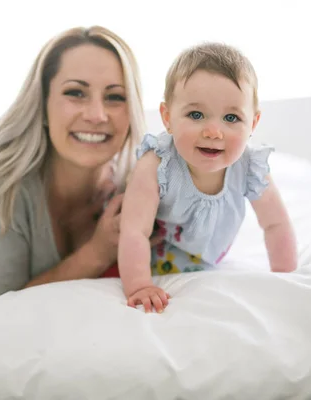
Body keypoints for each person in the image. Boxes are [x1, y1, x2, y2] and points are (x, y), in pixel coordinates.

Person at [0, 26, 160, 295]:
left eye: (115, 97)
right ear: (43, 104)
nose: (97, 115)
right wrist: (97, 252)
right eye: (75, 92)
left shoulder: (139, 184)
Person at [118, 42, 298, 313]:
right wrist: (140, 285)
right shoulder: (157, 163)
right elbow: (134, 231)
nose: (214, 131)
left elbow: (276, 224)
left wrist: (285, 277)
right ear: (167, 117)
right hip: (155, 255)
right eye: (196, 114)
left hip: (210, 257)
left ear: (253, 124)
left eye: (231, 117)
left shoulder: (251, 167)